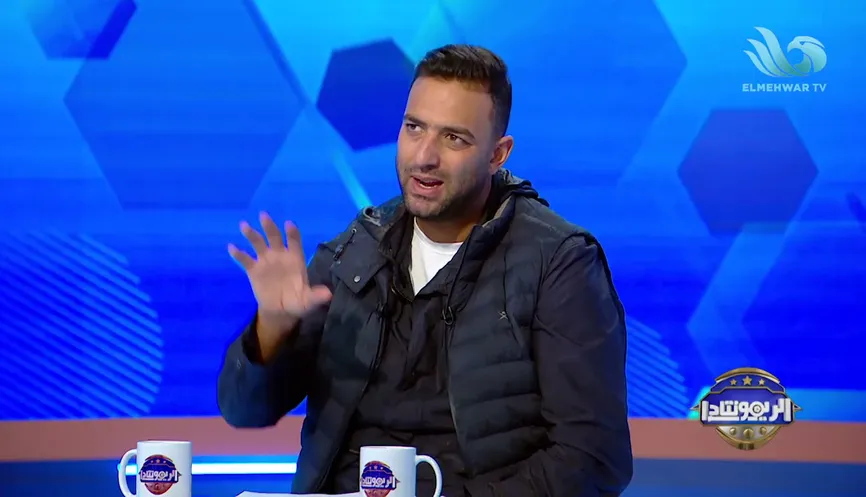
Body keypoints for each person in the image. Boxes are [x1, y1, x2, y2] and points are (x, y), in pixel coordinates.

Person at [217, 44, 633, 497]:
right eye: (414, 128)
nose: (424, 156)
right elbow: (243, 410)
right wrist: (272, 330)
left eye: (454, 138)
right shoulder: (355, 250)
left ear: (498, 154)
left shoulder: (560, 263)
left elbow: (593, 458)